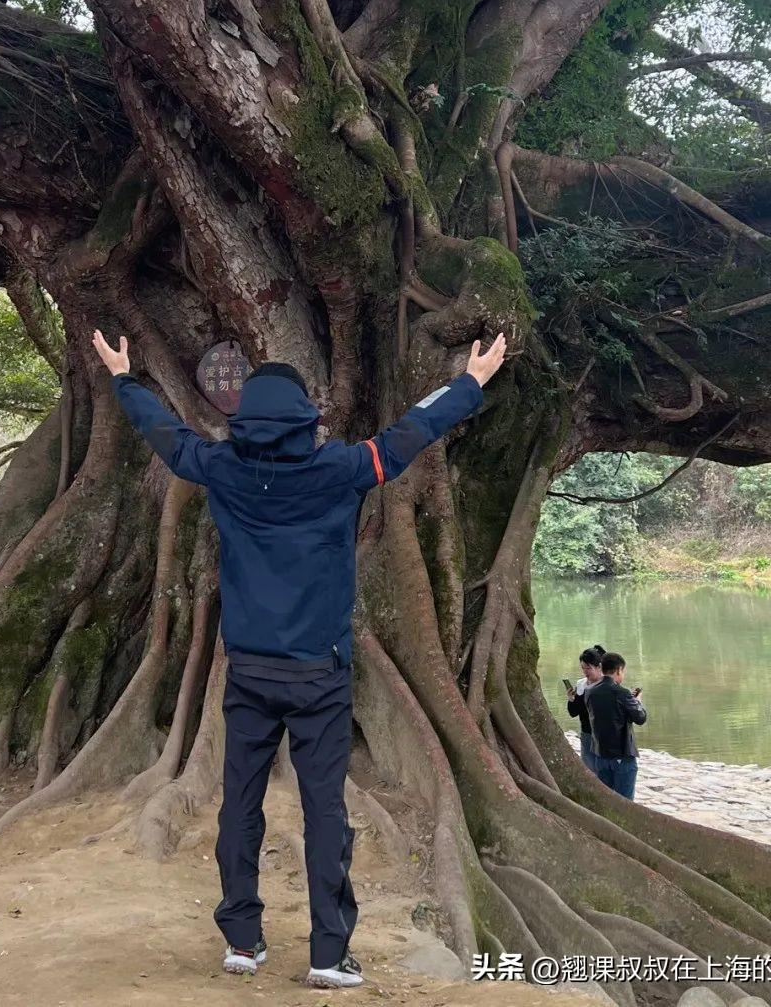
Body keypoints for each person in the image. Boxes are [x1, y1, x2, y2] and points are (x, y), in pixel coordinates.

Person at [93, 328, 508, 990]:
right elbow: (411, 433)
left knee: (241, 805)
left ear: (246, 421)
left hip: (250, 673)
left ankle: (242, 938)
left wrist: (123, 376)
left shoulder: (221, 469)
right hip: (320, 675)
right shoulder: (341, 469)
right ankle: (327, 950)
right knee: (325, 812)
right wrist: (472, 381)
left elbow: (165, 435)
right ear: (305, 421)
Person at [584, 651, 646, 799]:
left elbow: (607, 712)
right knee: (625, 802)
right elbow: (640, 718)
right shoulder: (622, 693)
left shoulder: (589, 692)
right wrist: (636, 702)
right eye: (622, 671)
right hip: (622, 755)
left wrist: (628, 700)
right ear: (618, 670)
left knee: (608, 800)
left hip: (600, 755)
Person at [565, 644, 605, 773]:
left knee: (603, 770)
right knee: (589, 769)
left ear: (599, 667)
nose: (585, 672)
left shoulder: (608, 685)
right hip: (587, 733)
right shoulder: (581, 684)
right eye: (583, 668)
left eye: (588, 668)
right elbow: (573, 712)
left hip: (604, 735)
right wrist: (571, 699)